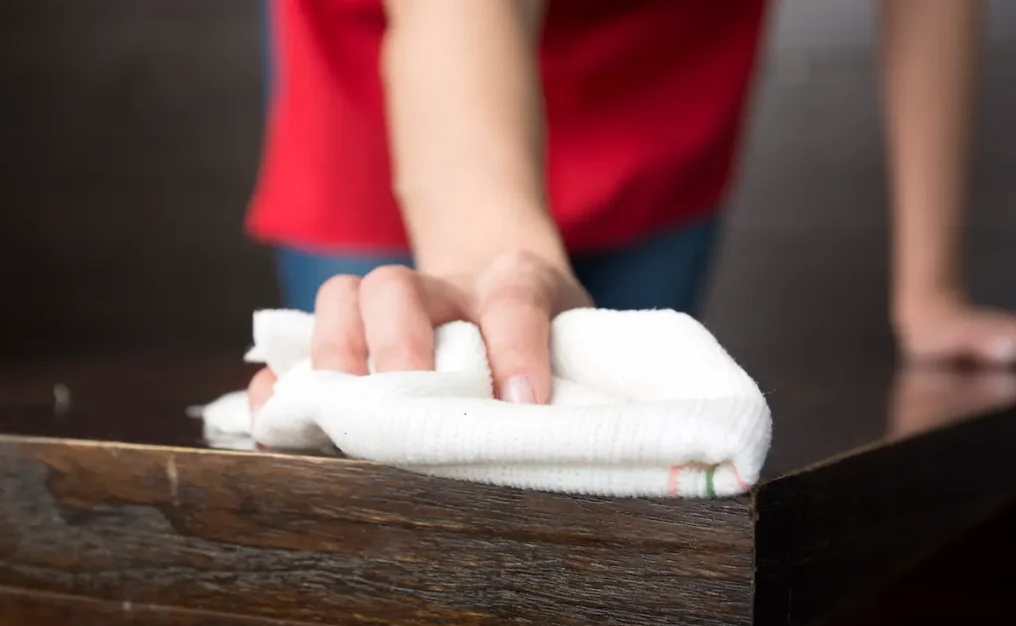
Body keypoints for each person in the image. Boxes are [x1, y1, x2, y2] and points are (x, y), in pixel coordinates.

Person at [246, 0, 1016, 414]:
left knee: (612, 430)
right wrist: (488, 257)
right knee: (398, 390)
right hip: (401, 58)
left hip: (661, 62)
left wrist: (930, 293)